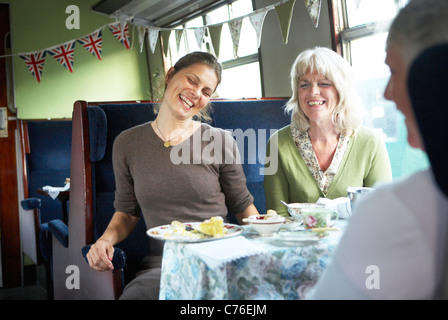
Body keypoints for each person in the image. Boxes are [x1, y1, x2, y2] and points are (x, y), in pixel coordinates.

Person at [85, 51, 259, 300]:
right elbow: (126, 213)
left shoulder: (221, 141)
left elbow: (243, 208)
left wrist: (268, 244)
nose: (197, 93)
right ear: (170, 75)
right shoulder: (126, 143)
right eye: (192, 80)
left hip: (221, 258)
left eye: (206, 91)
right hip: (163, 265)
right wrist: (104, 240)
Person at [307, 0, 448, 299]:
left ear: (433, 75)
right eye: (304, 84)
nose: (387, 93)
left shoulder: (395, 211)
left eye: (394, 71)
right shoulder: (279, 143)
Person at [264, 47, 392, 217]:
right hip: (298, 243)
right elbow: (277, 216)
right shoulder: (277, 143)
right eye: (304, 84)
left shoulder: (371, 143)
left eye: (324, 83)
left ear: (341, 90)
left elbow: (383, 212)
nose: (313, 92)